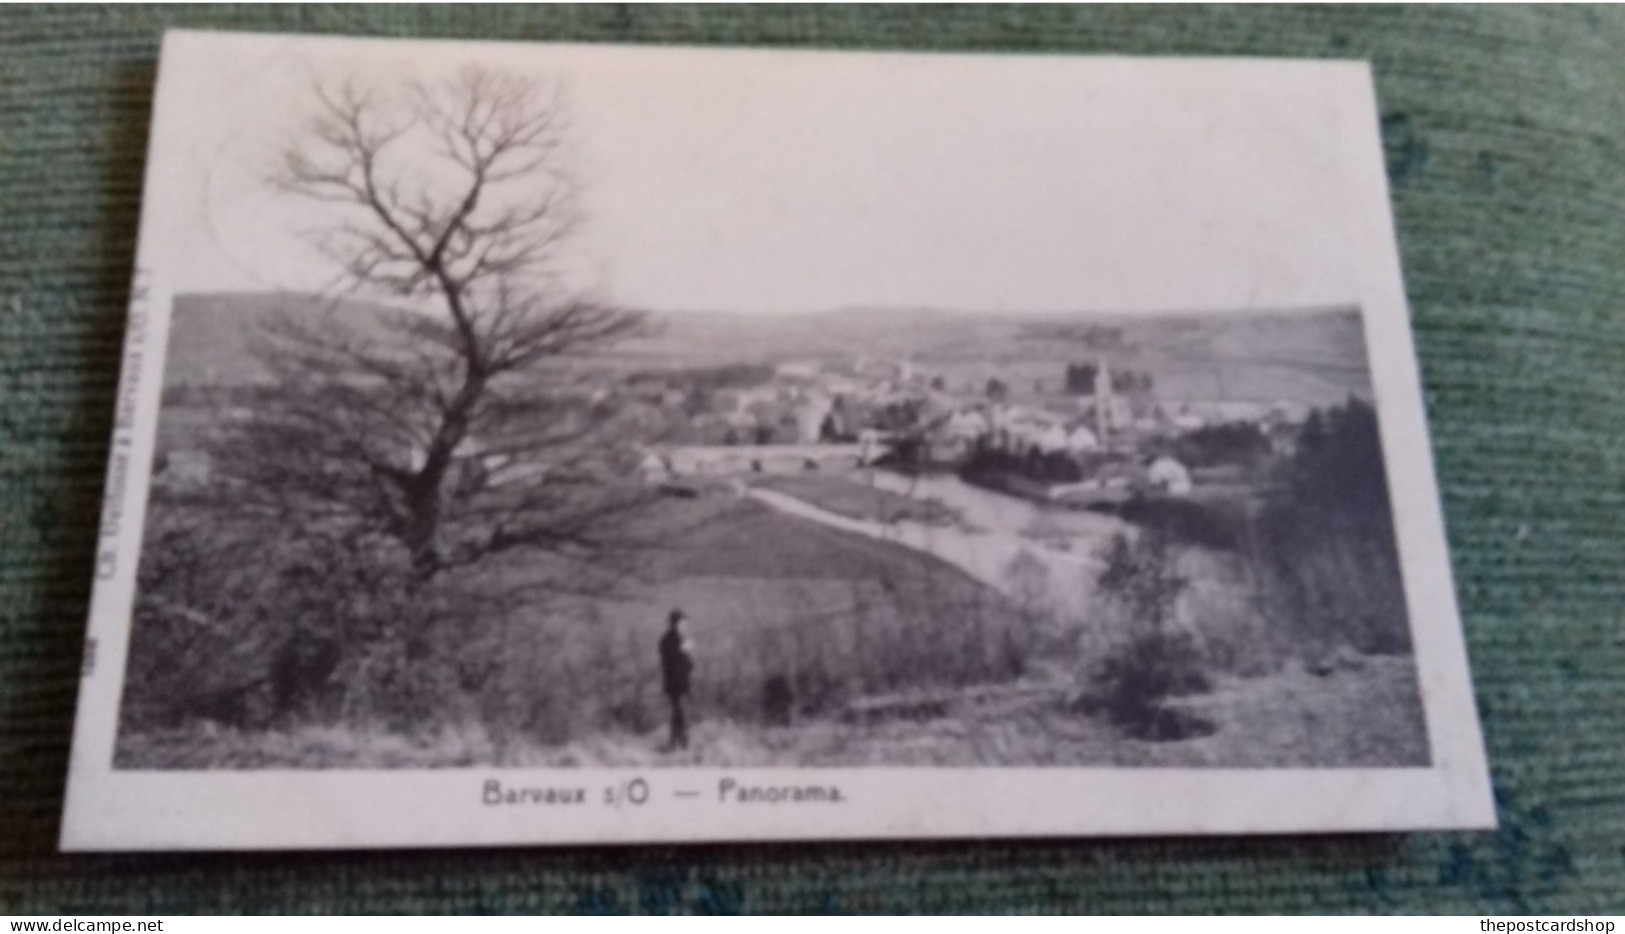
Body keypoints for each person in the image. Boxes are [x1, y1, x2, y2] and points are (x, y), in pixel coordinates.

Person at [658, 609, 694, 751]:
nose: (685, 625)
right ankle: (681, 743)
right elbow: (672, 660)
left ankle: (675, 743)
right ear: (676, 623)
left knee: (678, 713)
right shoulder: (669, 640)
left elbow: (688, 663)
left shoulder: (676, 639)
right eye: (682, 622)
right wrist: (684, 649)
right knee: (680, 712)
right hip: (675, 682)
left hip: (680, 681)